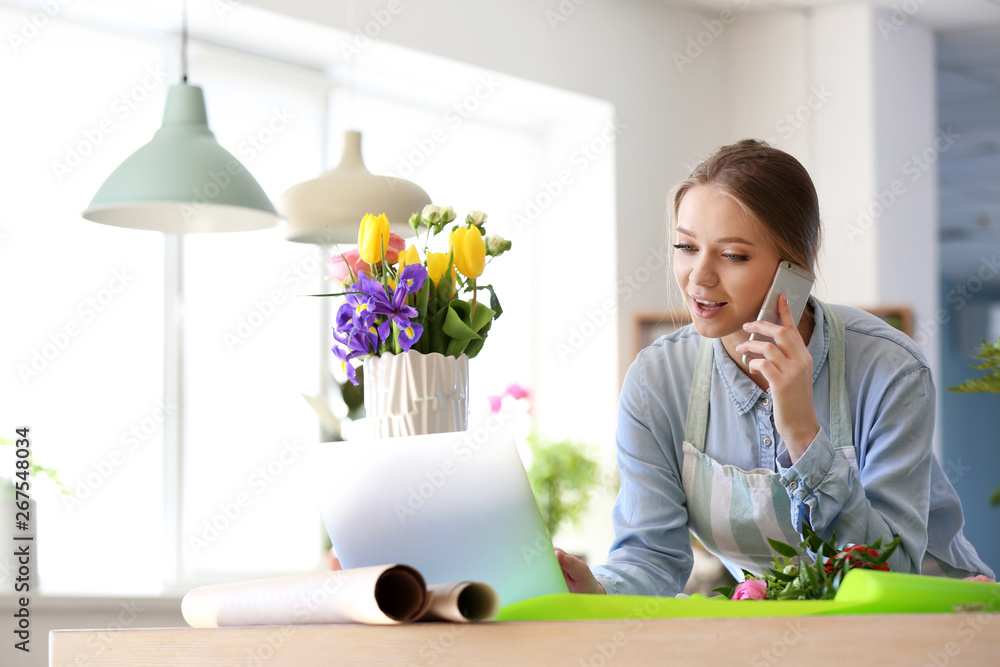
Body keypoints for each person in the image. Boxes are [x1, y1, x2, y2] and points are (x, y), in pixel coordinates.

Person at [557, 139, 995, 596]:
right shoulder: (656, 382)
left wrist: (804, 433)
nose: (699, 276)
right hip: (794, 627)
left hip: (934, 623)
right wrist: (599, 589)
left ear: (796, 267)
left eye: (733, 255)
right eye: (686, 246)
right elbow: (651, 556)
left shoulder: (890, 369)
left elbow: (892, 570)